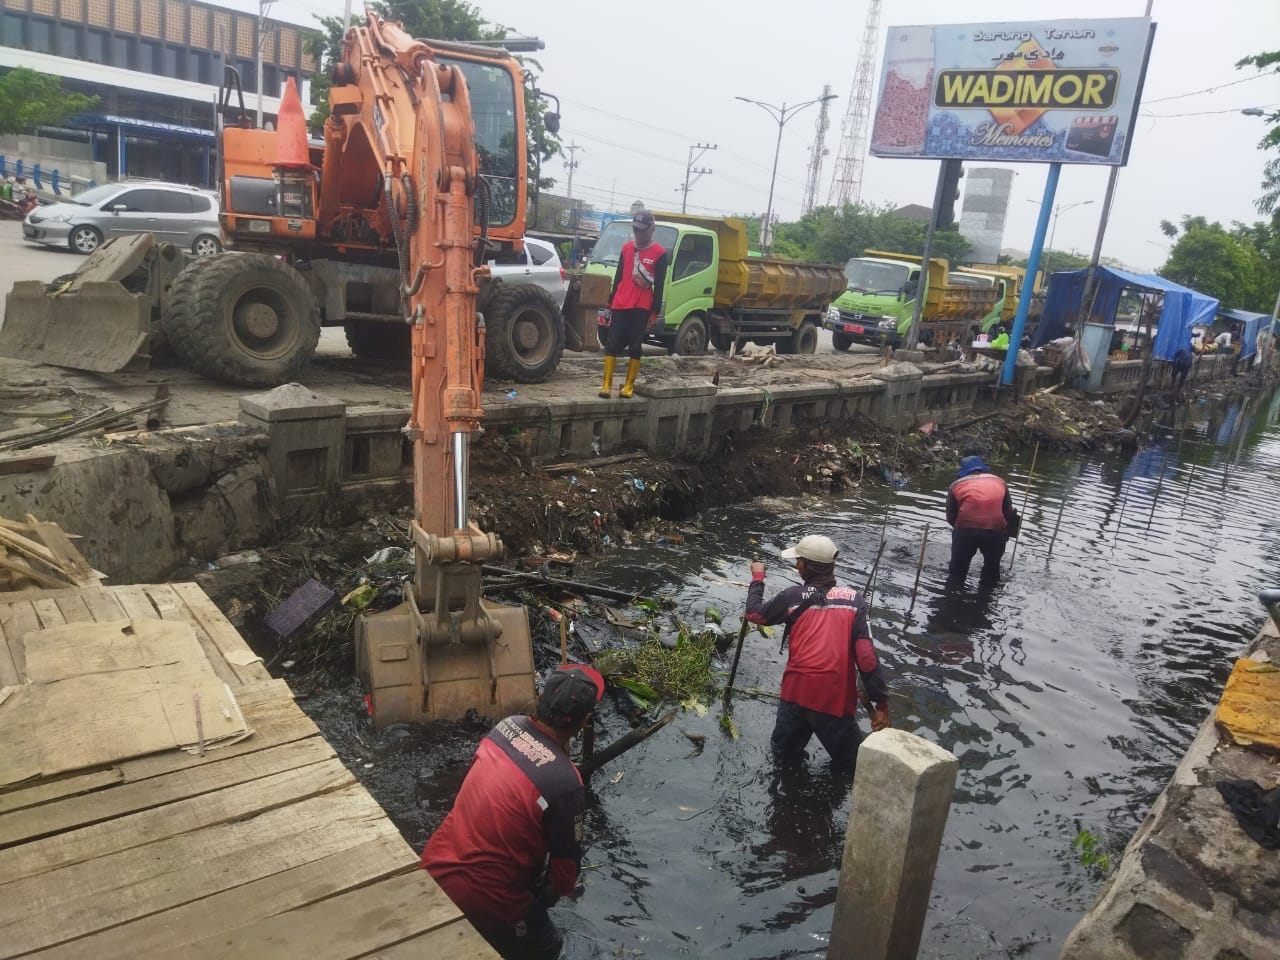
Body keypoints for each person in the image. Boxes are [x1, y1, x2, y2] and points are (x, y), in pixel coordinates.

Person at [422, 664, 605, 960]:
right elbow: (563, 879)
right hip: (483, 896)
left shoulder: (506, 727)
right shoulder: (566, 783)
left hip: (436, 863)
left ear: (540, 698)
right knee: (549, 946)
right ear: (584, 721)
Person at [745, 534, 890, 768]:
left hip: (795, 695)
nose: (796, 565)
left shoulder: (791, 597)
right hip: (833, 701)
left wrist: (758, 577)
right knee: (853, 771)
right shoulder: (854, 601)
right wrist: (881, 704)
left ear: (806, 568)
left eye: (799, 561)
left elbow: (754, 614)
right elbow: (866, 658)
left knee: (782, 760)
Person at [599, 209, 668, 399]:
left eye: (642, 230)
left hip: (642, 305)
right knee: (612, 343)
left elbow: (660, 285)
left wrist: (654, 313)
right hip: (621, 301)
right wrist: (611, 300)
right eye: (635, 229)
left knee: (636, 346)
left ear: (651, 228)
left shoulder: (660, 253)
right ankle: (606, 385)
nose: (638, 233)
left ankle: (628, 386)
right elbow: (619, 274)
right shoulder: (627, 248)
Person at [945, 455, 1018, 589]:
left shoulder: (955, 485)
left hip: (965, 532)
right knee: (992, 569)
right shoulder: (1000, 482)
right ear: (982, 469)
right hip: (995, 532)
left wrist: (962, 530)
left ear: (964, 472)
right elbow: (1008, 512)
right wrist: (1007, 531)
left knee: (957, 572)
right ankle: (985, 601)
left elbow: (950, 516)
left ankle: (952, 599)